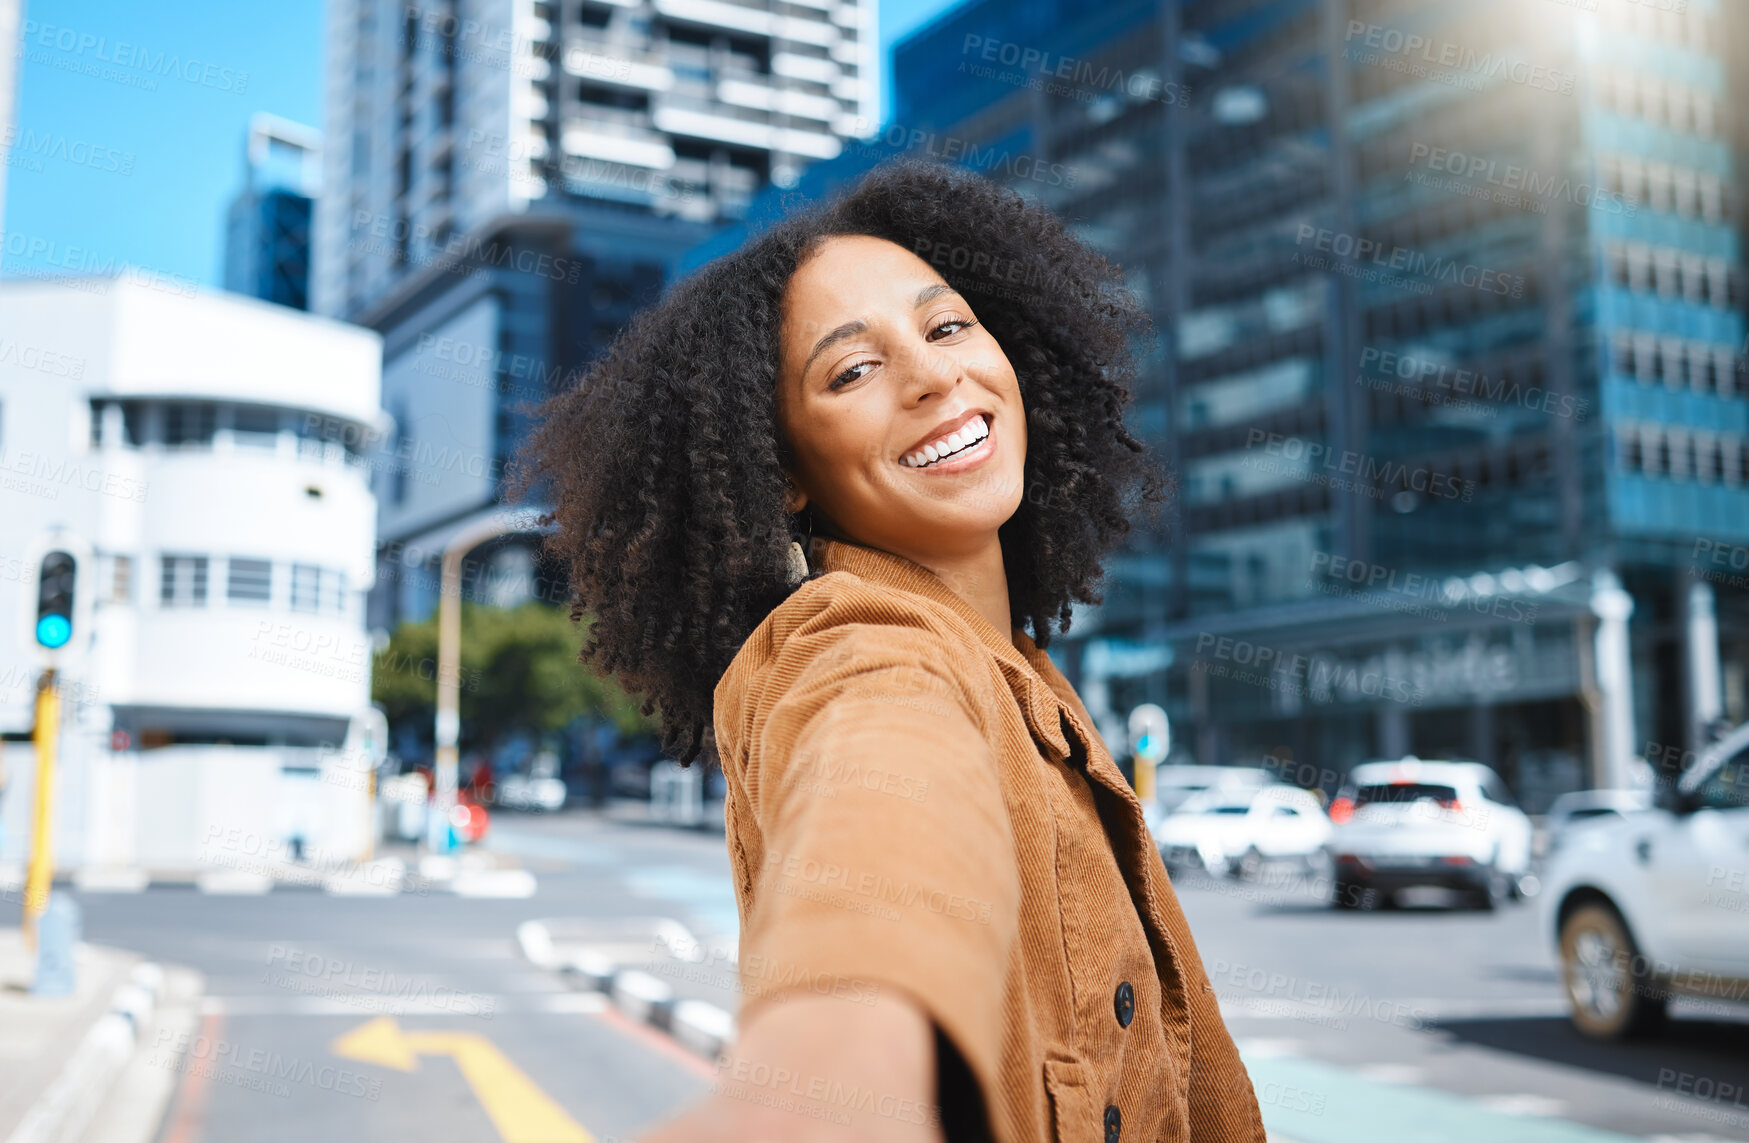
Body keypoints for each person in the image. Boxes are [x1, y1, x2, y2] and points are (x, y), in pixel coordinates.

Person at [517, 159, 1266, 1143]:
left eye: (948, 324)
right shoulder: (855, 648)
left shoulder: (1024, 672)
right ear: (782, 468)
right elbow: (884, 820)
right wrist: (820, 1092)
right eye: (851, 370)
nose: (932, 374)